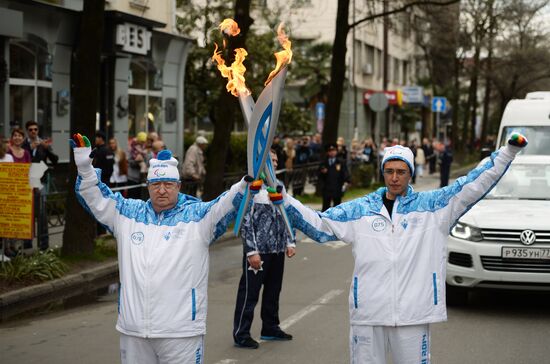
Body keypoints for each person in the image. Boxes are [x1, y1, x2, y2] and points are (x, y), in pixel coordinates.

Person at [282, 134, 528, 364]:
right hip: (369, 314)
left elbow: (471, 185)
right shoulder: (361, 209)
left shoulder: (433, 208)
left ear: (410, 174)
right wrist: (284, 199)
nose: (394, 177)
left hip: (414, 315)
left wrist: (507, 153)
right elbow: (320, 226)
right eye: (389, 171)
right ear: (383, 173)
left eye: (401, 171)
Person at [71, 133, 252, 364]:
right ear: (148, 186)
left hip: (181, 332)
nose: (162, 190)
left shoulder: (198, 218)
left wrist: (245, 184)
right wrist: (85, 166)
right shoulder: (127, 214)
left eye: (168, 184)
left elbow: (225, 205)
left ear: (178, 186)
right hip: (134, 331)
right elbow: (96, 197)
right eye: (156, 184)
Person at [233, 150, 296, 349]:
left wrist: (290, 241)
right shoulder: (252, 187)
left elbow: (286, 214)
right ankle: (241, 333)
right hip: (258, 252)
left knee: (273, 291)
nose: (275, 164)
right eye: (271, 161)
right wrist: (251, 251)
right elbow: (245, 220)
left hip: (276, 250)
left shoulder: (278, 186)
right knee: (250, 293)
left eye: (276, 161)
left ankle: (270, 327)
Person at [319, 144, 350, 212]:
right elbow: (319, 175)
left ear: (336, 151)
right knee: (325, 207)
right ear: (327, 152)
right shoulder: (324, 162)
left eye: (334, 150)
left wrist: (346, 181)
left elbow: (345, 172)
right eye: (330, 151)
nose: (332, 152)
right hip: (327, 188)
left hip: (337, 187)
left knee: (337, 207)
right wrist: (323, 173)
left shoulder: (340, 162)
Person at [127, 132, 148, 199]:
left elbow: (147, 161)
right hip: (133, 178)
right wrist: (137, 161)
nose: (143, 143)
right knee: (132, 197)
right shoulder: (132, 148)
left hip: (141, 179)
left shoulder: (144, 148)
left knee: (140, 197)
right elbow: (129, 161)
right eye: (142, 141)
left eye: (144, 141)